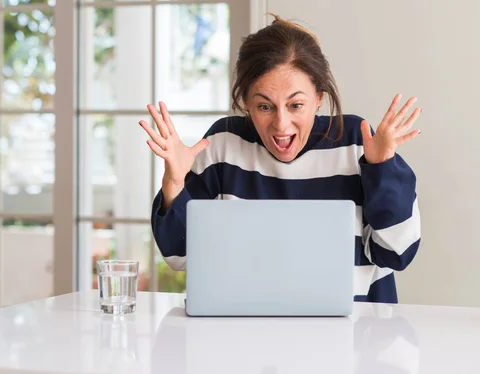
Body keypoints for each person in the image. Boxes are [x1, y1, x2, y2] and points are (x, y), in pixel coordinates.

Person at [139, 14, 422, 304]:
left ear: (319, 98)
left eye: (296, 105)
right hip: (243, 335)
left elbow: (397, 253)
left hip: (357, 336)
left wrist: (382, 168)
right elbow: (179, 256)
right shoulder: (222, 144)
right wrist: (174, 182)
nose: (281, 124)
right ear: (245, 103)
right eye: (265, 106)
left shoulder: (355, 142)